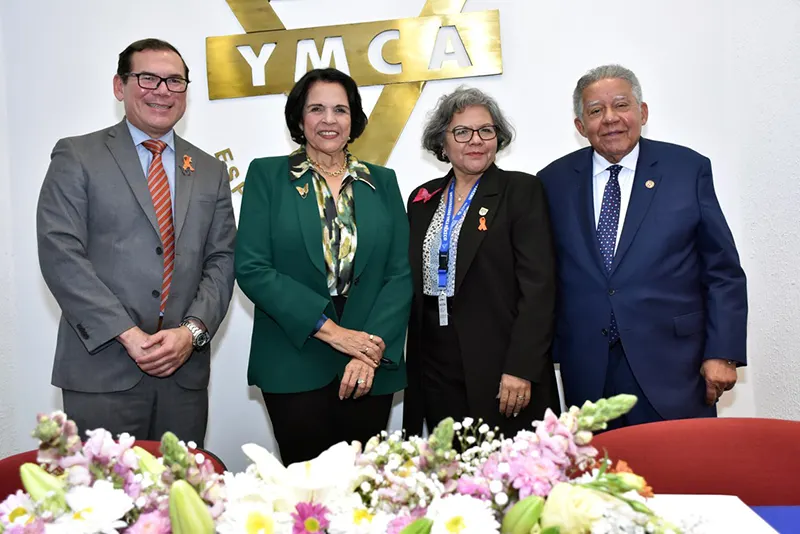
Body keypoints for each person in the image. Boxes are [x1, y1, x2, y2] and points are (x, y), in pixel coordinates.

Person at [36, 38, 236, 446]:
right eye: (148, 78)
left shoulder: (211, 170)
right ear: (118, 86)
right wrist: (127, 333)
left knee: (182, 501)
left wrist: (191, 333)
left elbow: (222, 260)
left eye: (175, 81)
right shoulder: (77, 155)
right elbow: (61, 253)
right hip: (102, 370)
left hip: (183, 376)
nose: (162, 91)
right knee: (102, 501)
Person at [538, 65, 747, 428]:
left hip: (676, 366)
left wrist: (723, 353)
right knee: (598, 483)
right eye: (595, 111)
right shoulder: (551, 182)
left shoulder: (686, 168)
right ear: (579, 125)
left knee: (683, 476)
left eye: (621, 105)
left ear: (642, 112)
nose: (610, 118)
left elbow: (722, 271)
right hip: (589, 371)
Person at [235, 68, 411, 465]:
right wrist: (333, 333)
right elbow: (252, 267)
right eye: (317, 109)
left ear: (354, 120)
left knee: (365, 485)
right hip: (295, 350)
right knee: (306, 488)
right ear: (299, 119)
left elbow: (399, 274)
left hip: (369, 356)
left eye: (340, 110)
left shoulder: (382, 182)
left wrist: (367, 350)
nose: (329, 120)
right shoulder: (267, 175)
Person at [402, 87, 559, 439]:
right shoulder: (422, 199)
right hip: (434, 362)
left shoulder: (521, 191)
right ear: (442, 141)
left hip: (501, 360)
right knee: (451, 471)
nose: (476, 140)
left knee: (508, 478)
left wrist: (521, 367)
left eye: (485, 131)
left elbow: (540, 288)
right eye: (462, 132)